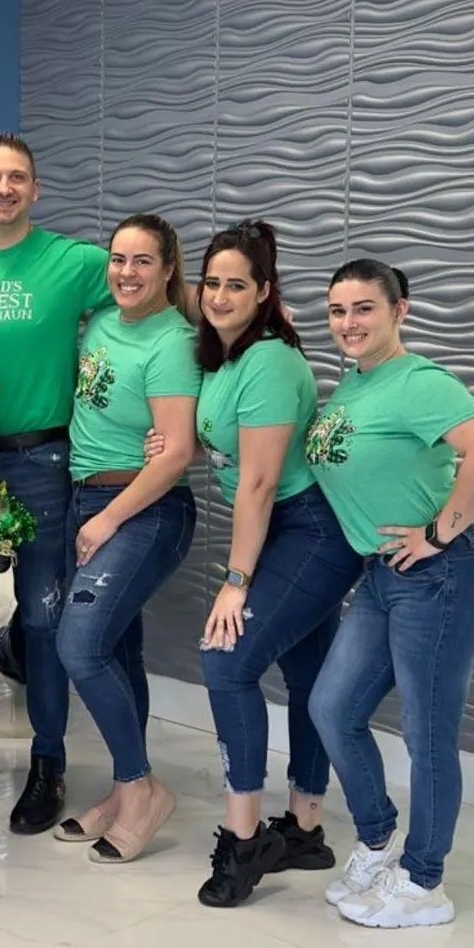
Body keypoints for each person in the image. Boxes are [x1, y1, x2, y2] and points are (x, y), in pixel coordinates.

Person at [307, 260, 474, 928]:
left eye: (364, 308)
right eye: (337, 310)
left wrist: (439, 532)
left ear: (400, 311)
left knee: (427, 734)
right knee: (332, 707)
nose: (348, 323)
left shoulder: (418, 381)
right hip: (382, 576)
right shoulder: (351, 388)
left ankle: (425, 883)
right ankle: (377, 842)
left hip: (444, 578)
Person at [0, 133, 114, 834]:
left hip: (42, 460)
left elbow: (155, 290)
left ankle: (48, 762)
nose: (3, 187)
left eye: (16, 177)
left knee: (41, 617)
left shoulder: (73, 263)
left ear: (36, 190)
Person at [188, 221, 362, 908]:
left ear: (264, 293)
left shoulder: (266, 360)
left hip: (307, 529)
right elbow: (234, 450)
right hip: (283, 526)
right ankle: (308, 829)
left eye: (239, 285)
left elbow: (259, 484)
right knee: (308, 672)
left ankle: (245, 837)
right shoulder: (227, 354)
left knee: (225, 659)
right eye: (213, 283)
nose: (221, 295)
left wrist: (235, 582)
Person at [55, 214, 199, 862]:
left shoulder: (174, 341)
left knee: (79, 644)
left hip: (141, 508)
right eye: (118, 259)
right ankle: (123, 787)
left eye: (143, 261)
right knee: (117, 647)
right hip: (87, 496)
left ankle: (143, 788)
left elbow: (176, 453)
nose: (126, 272)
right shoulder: (103, 324)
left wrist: (108, 518)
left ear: (169, 268)